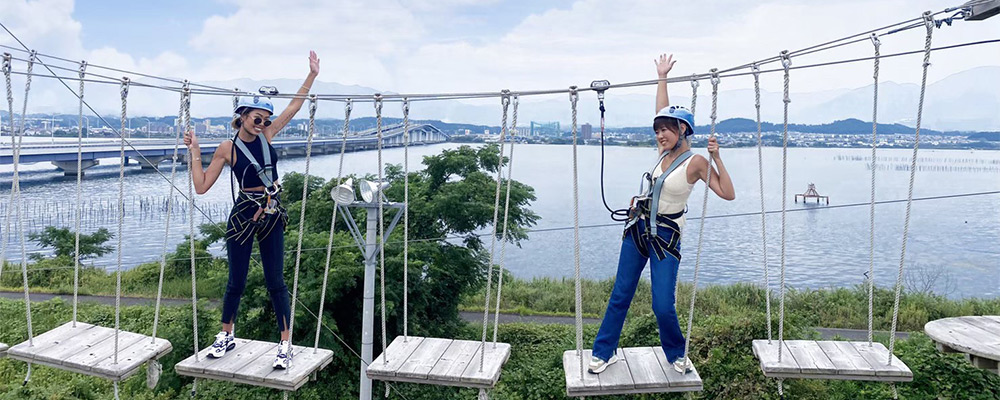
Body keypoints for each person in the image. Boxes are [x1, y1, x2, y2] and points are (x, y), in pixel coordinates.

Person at [588, 54, 736, 374]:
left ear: (683, 130)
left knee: (662, 305)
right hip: (638, 230)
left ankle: (675, 353)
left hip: (665, 238)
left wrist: (718, 158)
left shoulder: (694, 163)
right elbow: (662, 108)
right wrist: (662, 77)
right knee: (620, 294)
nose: (660, 135)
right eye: (658, 131)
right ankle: (604, 351)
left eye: (666, 130)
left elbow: (727, 193)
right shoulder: (663, 153)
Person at [183, 51, 320, 370]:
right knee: (236, 282)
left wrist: (311, 75)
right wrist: (195, 152)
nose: (262, 125)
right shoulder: (226, 149)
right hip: (243, 215)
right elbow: (201, 186)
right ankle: (226, 334)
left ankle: (285, 342)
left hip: (271, 213)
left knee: (276, 282)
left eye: (265, 120)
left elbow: (294, 107)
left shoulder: (268, 136)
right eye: (256, 119)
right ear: (242, 116)